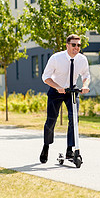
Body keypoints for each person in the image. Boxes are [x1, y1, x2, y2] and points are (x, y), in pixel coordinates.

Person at [39, 34, 90, 163]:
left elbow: (86, 75)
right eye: (74, 45)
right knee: (51, 121)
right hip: (56, 91)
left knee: (74, 119)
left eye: (79, 45)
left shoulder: (82, 59)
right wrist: (58, 87)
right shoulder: (56, 58)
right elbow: (45, 77)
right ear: (67, 45)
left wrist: (85, 85)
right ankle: (46, 146)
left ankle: (69, 150)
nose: (76, 47)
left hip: (72, 91)